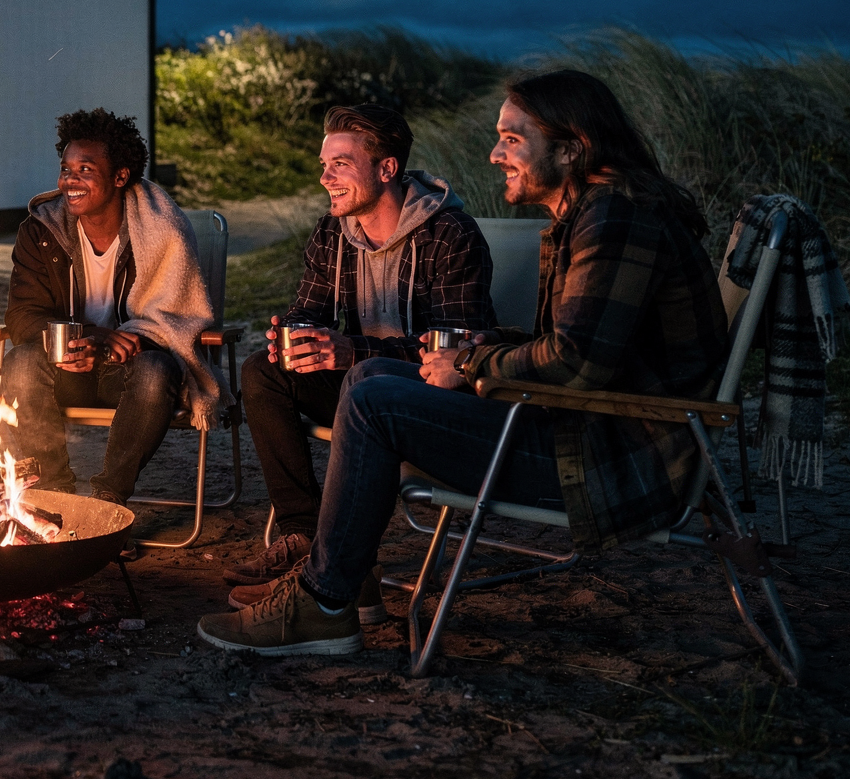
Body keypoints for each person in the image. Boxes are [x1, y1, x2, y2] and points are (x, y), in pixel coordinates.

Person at [198, 69, 729, 656]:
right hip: (579, 426)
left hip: (607, 457)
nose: (495, 153)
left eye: (512, 138)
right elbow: (579, 348)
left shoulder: (615, 218)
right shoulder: (593, 214)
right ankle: (332, 574)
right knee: (369, 377)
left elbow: (575, 362)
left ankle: (325, 601)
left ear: (571, 148)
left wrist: (471, 363)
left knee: (373, 395)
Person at [230, 104, 494, 616]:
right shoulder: (333, 233)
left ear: (387, 169)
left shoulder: (451, 235)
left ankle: (335, 578)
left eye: (340, 164)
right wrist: (292, 334)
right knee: (263, 371)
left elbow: (455, 352)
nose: (324, 177)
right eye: (324, 163)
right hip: (356, 389)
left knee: (367, 380)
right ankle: (304, 535)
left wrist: (354, 350)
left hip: (424, 403)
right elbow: (307, 308)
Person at [3, 108, 231, 506]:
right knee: (20, 363)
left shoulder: (163, 230)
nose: (69, 181)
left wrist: (119, 342)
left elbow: (177, 321)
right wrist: (83, 338)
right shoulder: (40, 230)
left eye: (85, 170)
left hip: (131, 376)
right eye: (66, 169)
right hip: (67, 369)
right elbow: (22, 315)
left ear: (120, 177)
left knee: (156, 370)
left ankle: (108, 502)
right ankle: (56, 495)